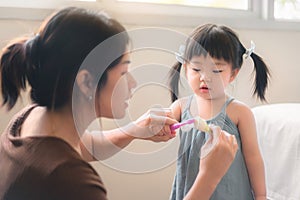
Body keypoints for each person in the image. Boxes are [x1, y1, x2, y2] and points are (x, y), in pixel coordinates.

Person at [0, 7, 237, 200]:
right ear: (86, 81)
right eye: (124, 72)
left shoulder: (28, 122)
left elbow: (84, 147)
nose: (133, 83)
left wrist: (133, 130)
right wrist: (209, 177)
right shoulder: (71, 182)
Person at [168, 24, 269, 200]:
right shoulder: (180, 107)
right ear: (186, 68)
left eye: (216, 70)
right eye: (197, 69)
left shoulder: (239, 112)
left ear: (233, 74)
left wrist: (261, 196)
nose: (205, 77)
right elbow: (161, 126)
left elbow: (253, 158)